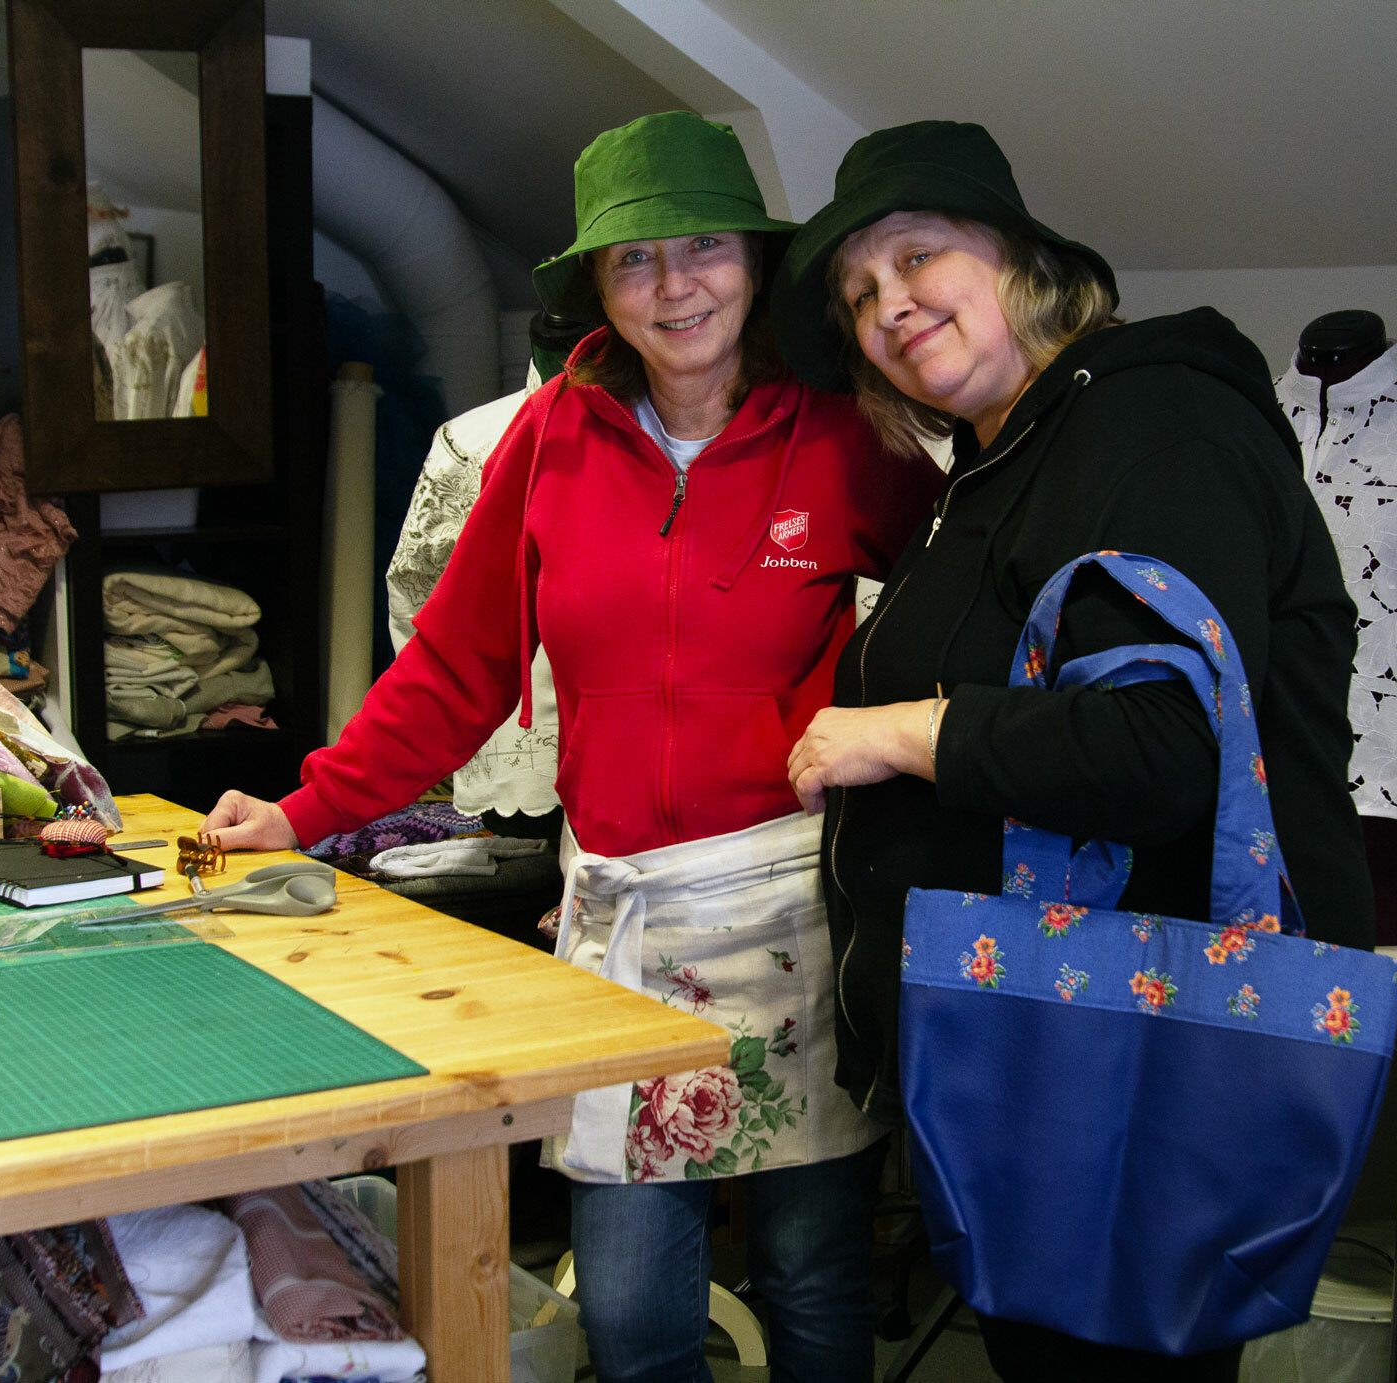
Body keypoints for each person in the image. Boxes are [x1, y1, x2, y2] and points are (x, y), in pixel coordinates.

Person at [203, 111, 941, 1383]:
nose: (675, 285)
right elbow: (457, 666)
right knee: (634, 1312)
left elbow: (956, 606)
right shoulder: (549, 441)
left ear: (754, 264)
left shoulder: (841, 437)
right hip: (624, 915)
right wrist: (303, 810)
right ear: (597, 286)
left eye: (702, 246)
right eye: (634, 260)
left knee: (816, 1283)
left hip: (800, 907)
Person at [771, 120, 1374, 1382]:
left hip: (1127, 1055)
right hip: (1043, 1049)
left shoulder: (1153, 428)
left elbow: (1165, 750)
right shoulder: (1001, 458)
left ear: (1025, 263)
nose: (891, 306)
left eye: (919, 256)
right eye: (860, 294)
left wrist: (904, 731)